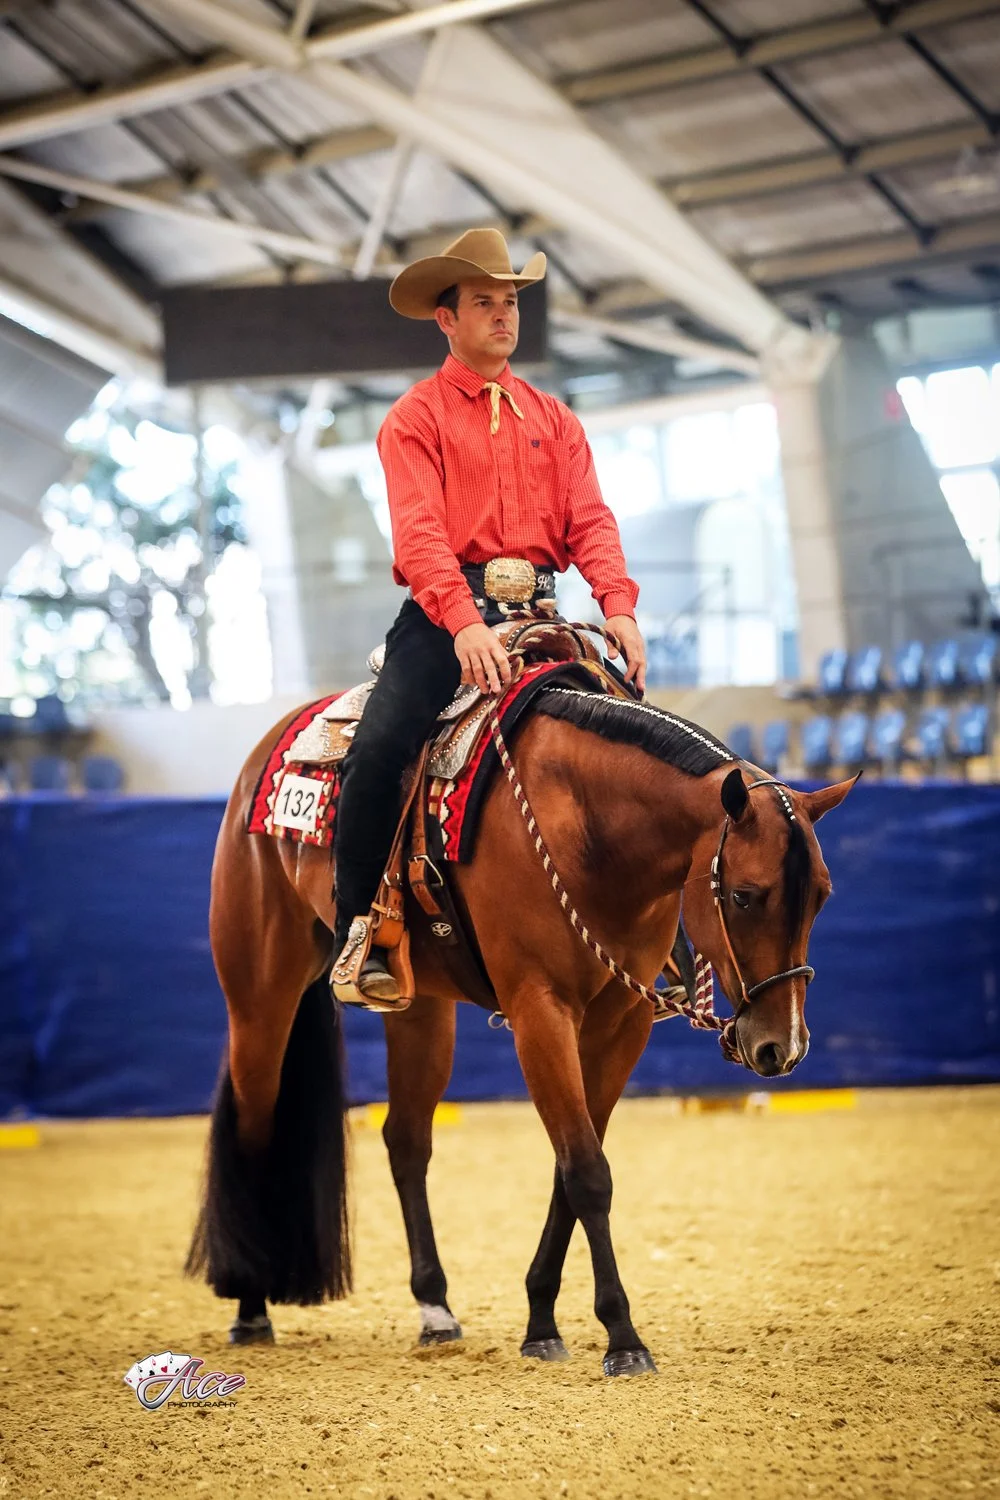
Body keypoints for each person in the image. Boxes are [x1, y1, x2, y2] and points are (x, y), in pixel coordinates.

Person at [331, 228, 645, 1007]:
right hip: (446, 617)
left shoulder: (556, 420)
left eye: (509, 303)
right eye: (484, 303)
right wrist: (464, 620)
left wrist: (619, 609)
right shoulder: (414, 419)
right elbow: (420, 533)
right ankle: (358, 930)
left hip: (543, 614)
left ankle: (644, 930)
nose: (503, 316)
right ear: (448, 319)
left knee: (630, 741)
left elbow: (591, 522)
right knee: (381, 745)